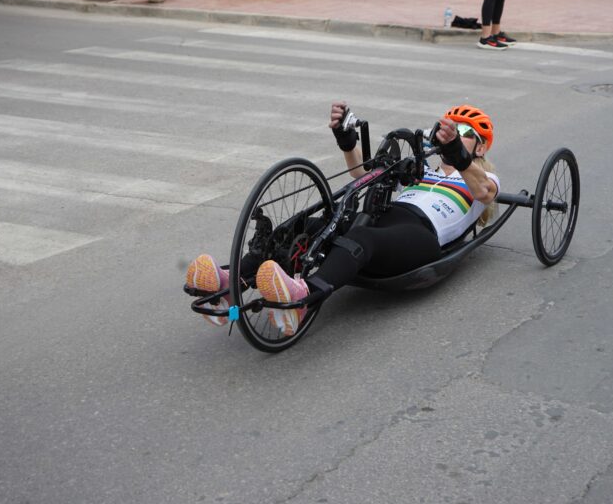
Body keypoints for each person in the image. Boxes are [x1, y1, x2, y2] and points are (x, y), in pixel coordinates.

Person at [186, 102, 500, 336]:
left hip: (420, 234)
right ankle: (232, 282)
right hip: (387, 217)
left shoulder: (484, 177)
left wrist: (459, 156)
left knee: (363, 240)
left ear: (481, 144)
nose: (451, 135)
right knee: (308, 226)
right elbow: (364, 174)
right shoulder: (423, 170)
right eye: (447, 128)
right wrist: (347, 142)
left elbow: (484, 193)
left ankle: (304, 297)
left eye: (461, 132)